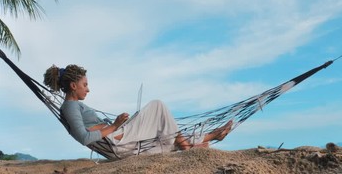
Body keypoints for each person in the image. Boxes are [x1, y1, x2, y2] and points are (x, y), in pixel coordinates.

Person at [43, 64, 232, 156]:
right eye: (85, 84)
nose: (88, 89)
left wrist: (117, 125)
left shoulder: (73, 106)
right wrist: (115, 125)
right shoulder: (70, 107)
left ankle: (212, 136)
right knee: (158, 106)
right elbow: (83, 137)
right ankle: (191, 147)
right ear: (73, 86)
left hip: (118, 135)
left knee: (163, 133)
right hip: (116, 140)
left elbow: (89, 129)